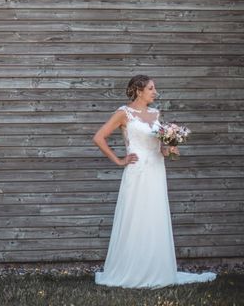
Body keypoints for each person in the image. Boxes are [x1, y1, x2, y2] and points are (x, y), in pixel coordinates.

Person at [93, 75, 216, 288]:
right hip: (138, 171)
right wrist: (120, 160)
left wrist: (171, 147)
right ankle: (132, 269)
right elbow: (98, 137)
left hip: (157, 171)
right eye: (151, 88)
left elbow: (161, 150)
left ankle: (156, 269)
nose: (155, 92)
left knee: (154, 217)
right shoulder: (124, 113)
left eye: (154, 88)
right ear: (139, 91)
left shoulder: (155, 114)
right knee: (136, 218)